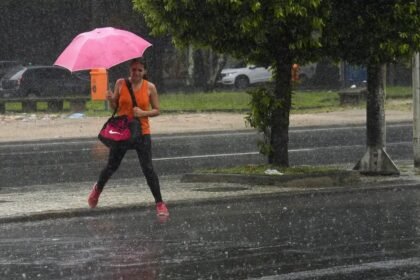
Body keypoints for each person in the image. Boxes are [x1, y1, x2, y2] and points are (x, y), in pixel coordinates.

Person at [88, 57, 169, 217]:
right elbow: (115, 107)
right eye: (134, 69)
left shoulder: (150, 87)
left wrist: (143, 113)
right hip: (123, 132)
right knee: (112, 166)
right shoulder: (120, 83)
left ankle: (160, 203)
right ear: (129, 70)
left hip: (142, 132)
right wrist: (111, 99)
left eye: (140, 70)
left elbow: (157, 110)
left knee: (148, 169)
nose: (137, 73)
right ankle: (97, 189)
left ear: (144, 72)